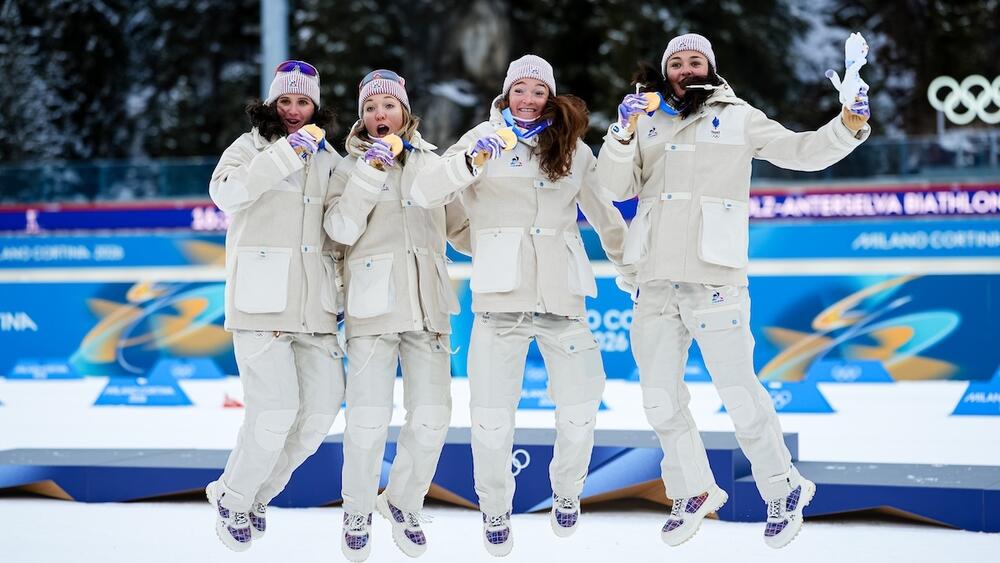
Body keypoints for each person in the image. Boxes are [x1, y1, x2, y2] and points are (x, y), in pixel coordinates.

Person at [598, 33, 871, 549]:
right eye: (675, 62)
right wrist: (620, 131)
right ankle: (692, 489)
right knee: (659, 401)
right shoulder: (646, 120)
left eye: (694, 60)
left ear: (710, 67)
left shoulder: (740, 115)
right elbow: (613, 188)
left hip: (715, 281)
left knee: (739, 394)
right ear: (665, 71)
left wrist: (848, 124)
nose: (684, 68)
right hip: (653, 281)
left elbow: (800, 152)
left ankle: (783, 486)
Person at [411, 54, 631, 557]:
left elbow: (606, 216)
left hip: (564, 301)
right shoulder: (479, 139)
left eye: (537, 91)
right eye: (519, 90)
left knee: (579, 411)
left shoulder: (572, 148)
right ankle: (494, 507)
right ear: (506, 94)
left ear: (549, 96)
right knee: (490, 419)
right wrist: (471, 163)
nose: (528, 100)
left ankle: (567, 491)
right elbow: (426, 193)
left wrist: (631, 270)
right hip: (497, 303)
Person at [324, 69, 470, 562]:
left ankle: (404, 502)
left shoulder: (434, 164)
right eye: (369, 108)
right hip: (371, 309)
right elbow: (340, 229)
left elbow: (462, 230)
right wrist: (370, 172)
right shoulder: (345, 168)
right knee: (367, 421)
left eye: (387, 105)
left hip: (428, 308)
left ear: (405, 112)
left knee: (432, 417)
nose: (378, 115)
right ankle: (357, 509)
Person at [205, 60, 346, 552]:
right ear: (270, 103)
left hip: (316, 310)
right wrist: (284, 154)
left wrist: (344, 293)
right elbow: (226, 195)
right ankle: (235, 498)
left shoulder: (331, 159)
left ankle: (251, 493)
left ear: (316, 107)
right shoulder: (247, 148)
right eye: (284, 101)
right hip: (261, 307)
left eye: (302, 101)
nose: (292, 110)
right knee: (273, 412)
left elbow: (340, 235)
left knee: (319, 414)